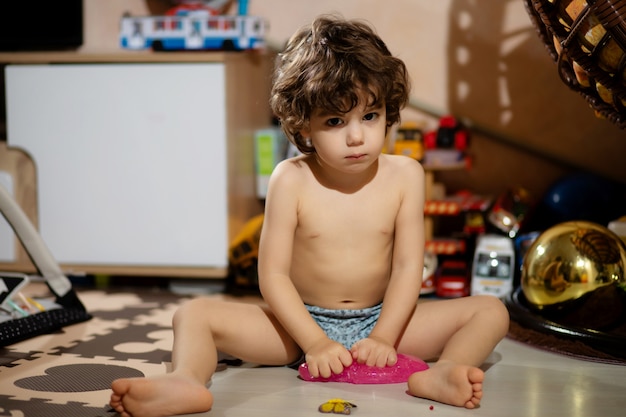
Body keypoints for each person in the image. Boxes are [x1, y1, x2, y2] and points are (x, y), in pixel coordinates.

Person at [109, 15, 510, 417]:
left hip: (384, 319)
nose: (356, 137)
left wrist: (385, 337)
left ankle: (446, 371)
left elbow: (408, 266)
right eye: (335, 121)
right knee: (193, 313)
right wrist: (315, 342)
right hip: (297, 325)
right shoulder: (291, 179)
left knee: (490, 311)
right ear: (304, 126)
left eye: (369, 116)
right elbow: (273, 276)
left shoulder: (405, 174)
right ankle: (186, 380)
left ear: (388, 109)